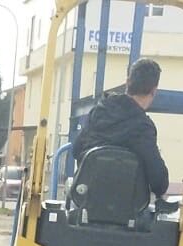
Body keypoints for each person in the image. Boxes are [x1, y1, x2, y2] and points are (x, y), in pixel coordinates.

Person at [71, 57, 171, 204]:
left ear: (128, 82)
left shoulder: (99, 111)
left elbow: (76, 150)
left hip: (86, 201)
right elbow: (159, 182)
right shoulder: (143, 128)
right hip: (127, 208)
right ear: (154, 91)